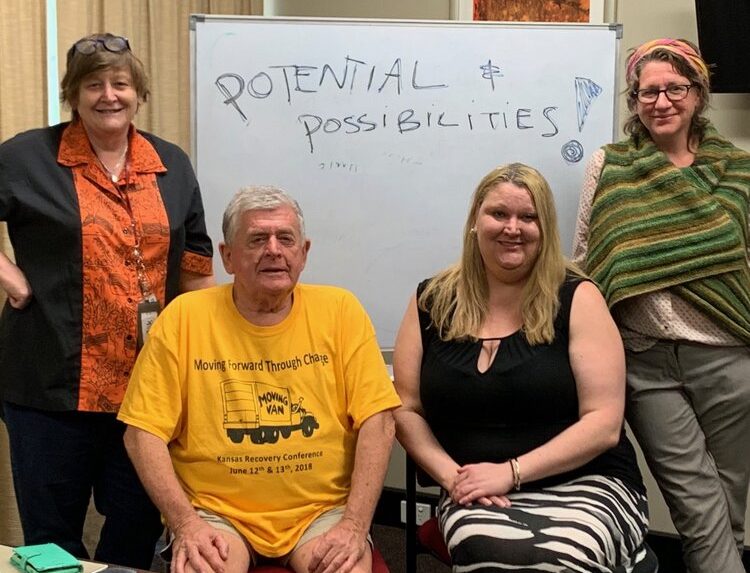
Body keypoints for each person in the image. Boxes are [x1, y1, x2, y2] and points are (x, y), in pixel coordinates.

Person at [0, 33, 214, 568]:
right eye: (93, 84)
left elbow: (195, 260)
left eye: (120, 82)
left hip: (147, 393)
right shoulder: (27, 156)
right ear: (73, 94)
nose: (108, 95)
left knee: (137, 527)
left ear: (138, 91)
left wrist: (202, 357)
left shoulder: (171, 163)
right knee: (52, 538)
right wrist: (12, 279)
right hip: (49, 387)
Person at [118, 186, 400, 573]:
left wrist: (354, 525)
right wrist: (186, 524)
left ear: (304, 252)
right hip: (217, 515)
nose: (274, 250)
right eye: (256, 239)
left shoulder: (341, 311)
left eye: (286, 238)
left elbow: (379, 421)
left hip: (321, 514)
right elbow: (141, 433)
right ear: (227, 257)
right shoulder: (184, 318)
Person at [394, 163, 649, 571]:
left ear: (544, 228)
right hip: (473, 489)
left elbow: (603, 423)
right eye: (499, 214)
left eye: (528, 217)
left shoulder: (578, 298)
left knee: (562, 555)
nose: (513, 228)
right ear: (475, 221)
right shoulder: (431, 301)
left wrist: (511, 473)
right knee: (489, 548)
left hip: (587, 483)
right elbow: (405, 407)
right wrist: (452, 477)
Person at [572, 38, 750, 573]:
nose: (661, 100)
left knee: (731, 497)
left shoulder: (739, 170)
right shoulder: (611, 165)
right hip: (644, 360)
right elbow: (586, 253)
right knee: (695, 503)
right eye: (648, 91)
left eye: (675, 88)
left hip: (728, 355)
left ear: (698, 94)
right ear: (634, 102)